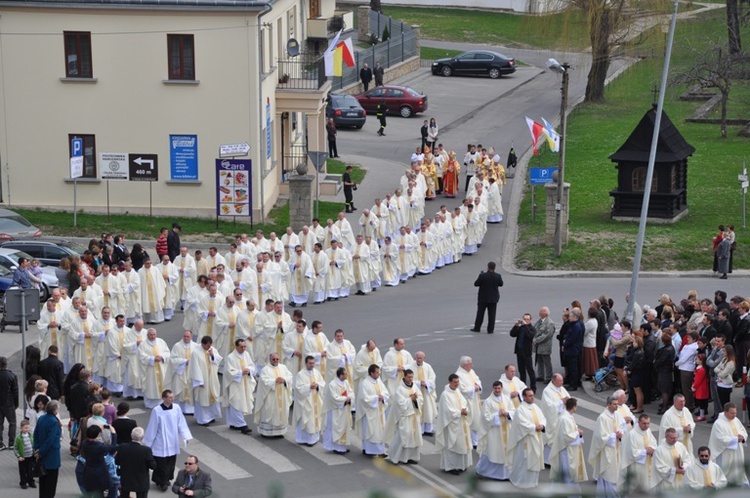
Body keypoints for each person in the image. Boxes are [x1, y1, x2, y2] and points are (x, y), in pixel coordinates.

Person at [143, 390, 193, 492]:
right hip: (160, 441)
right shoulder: (157, 410)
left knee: (170, 462)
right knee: (161, 464)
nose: (172, 399)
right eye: (170, 397)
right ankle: (162, 482)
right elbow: (152, 427)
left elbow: (181, 423)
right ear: (164, 398)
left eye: (172, 397)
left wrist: (185, 436)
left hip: (172, 440)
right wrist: (148, 443)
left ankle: (166, 479)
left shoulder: (176, 408)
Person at [476, 380, 514, 481]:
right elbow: (485, 417)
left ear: (502, 388)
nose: (497, 390)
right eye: (495, 388)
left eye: (499, 388)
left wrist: (507, 413)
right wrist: (497, 415)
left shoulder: (507, 399)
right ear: (493, 389)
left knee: (506, 452)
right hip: (494, 432)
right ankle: (482, 471)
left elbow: (514, 411)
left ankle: (506, 474)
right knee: (493, 451)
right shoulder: (488, 402)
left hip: (506, 429)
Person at [507, 387, 546, 488]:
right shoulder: (520, 410)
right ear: (524, 397)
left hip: (536, 438)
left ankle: (532, 481)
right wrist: (534, 427)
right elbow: (522, 424)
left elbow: (542, 418)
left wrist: (542, 425)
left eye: (533, 395)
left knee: (535, 459)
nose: (532, 398)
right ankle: (521, 481)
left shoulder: (535, 407)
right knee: (524, 462)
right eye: (529, 396)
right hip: (526, 440)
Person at [589, 395, 626, 496]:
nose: (616, 406)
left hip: (617, 448)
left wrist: (620, 433)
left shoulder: (617, 415)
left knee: (615, 473)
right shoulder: (602, 418)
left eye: (617, 404)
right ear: (608, 404)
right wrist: (615, 435)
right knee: (608, 474)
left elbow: (622, 427)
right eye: (614, 404)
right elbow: (600, 436)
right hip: (607, 450)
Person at [435, 373, 472, 475]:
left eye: (458, 382)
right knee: (452, 446)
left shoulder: (458, 392)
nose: (457, 384)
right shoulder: (445, 395)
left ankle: (461, 465)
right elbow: (447, 410)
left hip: (461, 423)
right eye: (455, 382)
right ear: (450, 382)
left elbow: (464, 403)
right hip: (451, 424)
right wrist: (460, 412)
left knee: (461, 445)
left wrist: (465, 410)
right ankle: (451, 466)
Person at [384, 369, 423, 465]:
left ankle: (410, 457)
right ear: (404, 377)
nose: (410, 379)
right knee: (403, 437)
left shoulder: (414, 387)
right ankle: (395, 456)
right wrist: (411, 399)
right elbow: (400, 404)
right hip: (405, 417)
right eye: (409, 377)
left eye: (412, 377)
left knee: (414, 436)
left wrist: (416, 399)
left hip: (414, 415)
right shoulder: (400, 389)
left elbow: (421, 398)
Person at [708, 402, 748, 486]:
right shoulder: (718, 423)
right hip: (724, 452)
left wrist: (742, 437)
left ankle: (737, 482)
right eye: (732, 413)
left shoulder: (736, 420)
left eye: (735, 413)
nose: (734, 415)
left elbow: (742, 430)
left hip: (737, 450)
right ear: (725, 412)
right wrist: (735, 439)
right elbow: (720, 439)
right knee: (725, 469)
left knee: (737, 467)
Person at [549, 398, 587, 487]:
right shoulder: (564, 418)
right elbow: (566, 436)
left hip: (571, 450)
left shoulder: (569, 416)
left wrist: (577, 430)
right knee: (568, 473)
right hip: (566, 450)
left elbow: (570, 430)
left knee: (570, 473)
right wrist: (578, 433)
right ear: (574, 407)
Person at [255, 352, 293, 437]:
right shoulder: (266, 369)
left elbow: (290, 377)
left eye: (277, 359)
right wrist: (275, 381)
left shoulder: (283, 367)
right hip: (270, 396)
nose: (275, 361)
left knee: (281, 412)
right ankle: (266, 432)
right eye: (273, 359)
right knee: (270, 412)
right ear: (270, 359)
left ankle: (279, 432)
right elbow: (264, 381)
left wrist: (284, 380)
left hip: (282, 395)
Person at [355, 364, 389, 457]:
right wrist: (376, 398)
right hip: (370, 411)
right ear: (371, 373)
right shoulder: (365, 383)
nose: (379, 374)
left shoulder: (379, 381)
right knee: (371, 431)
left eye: (379, 372)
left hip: (379, 410)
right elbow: (363, 398)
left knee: (380, 430)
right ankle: (368, 450)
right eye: (377, 372)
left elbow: (386, 392)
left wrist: (383, 396)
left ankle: (380, 450)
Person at [189, 336, 222, 427]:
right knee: (203, 398)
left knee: (212, 395)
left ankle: (211, 416)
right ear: (202, 344)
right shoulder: (196, 353)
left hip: (212, 379)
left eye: (210, 345)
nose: (209, 347)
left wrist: (212, 355)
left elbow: (218, 360)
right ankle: (203, 419)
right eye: (207, 346)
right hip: (202, 380)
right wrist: (199, 381)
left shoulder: (212, 350)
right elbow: (195, 368)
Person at [292, 356, 326, 446]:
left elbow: (323, 384)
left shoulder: (316, 372)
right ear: (306, 363)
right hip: (306, 401)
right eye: (310, 363)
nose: (312, 365)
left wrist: (317, 385)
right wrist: (309, 387)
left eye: (313, 363)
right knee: (306, 419)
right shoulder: (301, 374)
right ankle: (303, 439)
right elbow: (298, 388)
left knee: (314, 419)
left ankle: (313, 439)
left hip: (315, 400)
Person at [116, 426, 157, 498]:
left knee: (124, 495)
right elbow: (153, 466)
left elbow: (117, 461)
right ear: (142, 438)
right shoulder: (146, 450)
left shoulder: (122, 447)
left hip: (126, 478)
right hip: (141, 481)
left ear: (131, 436)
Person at [622, 413, 657, 493]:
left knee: (648, 487)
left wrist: (652, 449)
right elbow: (631, 452)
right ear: (638, 422)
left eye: (648, 423)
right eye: (644, 423)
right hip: (637, 466)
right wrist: (645, 451)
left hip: (648, 464)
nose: (646, 426)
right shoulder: (632, 434)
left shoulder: (648, 431)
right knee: (636, 488)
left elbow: (654, 442)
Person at [322, 367, 354, 454]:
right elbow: (334, 398)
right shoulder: (332, 384)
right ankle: (336, 447)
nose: (347, 375)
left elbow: (351, 392)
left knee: (344, 427)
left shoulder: (346, 382)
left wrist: (349, 398)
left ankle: (342, 447)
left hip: (344, 409)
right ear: (340, 375)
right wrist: (345, 399)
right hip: (335, 410)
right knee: (336, 429)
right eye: (345, 374)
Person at [33, 400, 62, 498]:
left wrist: (37, 449)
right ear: (55, 411)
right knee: (50, 486)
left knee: (43, 484)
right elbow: (50, 440)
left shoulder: (41, 418)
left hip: (42, 456)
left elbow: (35, 434)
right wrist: (41, 452)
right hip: (51, 457)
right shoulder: (54, 422)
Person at [81, 424, 118, 498]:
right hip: (100, 471)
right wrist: (113, 433)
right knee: (108, 487)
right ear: (97, 435)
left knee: (92, 490)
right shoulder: (99, 447)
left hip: (88, 470)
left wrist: (96, 429)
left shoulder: (85, 443)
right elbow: (113, 447)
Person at [471, 261, 503, 334]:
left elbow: (476, 284)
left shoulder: (483, 276)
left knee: (480, 313)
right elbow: (501, 284)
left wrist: (481, 275)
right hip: (493, 298)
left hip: (483, 298)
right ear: (494, 268)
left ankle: (477, 327)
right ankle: (490, 329)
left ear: (488, 267)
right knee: (492, 315)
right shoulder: (498, 276)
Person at [510, 313, 536, 391]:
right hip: (519, 351)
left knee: (530, 370)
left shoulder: (531, 328)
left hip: (527, 352)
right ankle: (523, 386)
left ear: (530, 320)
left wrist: (525, 326)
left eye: (528, 319)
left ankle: (533, 387)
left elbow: (530, 336)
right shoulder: (521, 328)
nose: (526, 321)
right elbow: (512, 334)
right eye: (524, 319)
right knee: (521, 370)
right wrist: (516, 326)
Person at [413, 351, 437, 434]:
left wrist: (426, 383)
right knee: (418, 410)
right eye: (417, 358)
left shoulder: (428, 367)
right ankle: (419, 430)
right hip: (416, 393)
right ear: (415, 358)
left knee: (428, 410)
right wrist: (419, 383)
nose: (419, 360)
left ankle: (428, 430)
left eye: (421, 358)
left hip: (426, 392)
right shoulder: (410, 367)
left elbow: (432, 378)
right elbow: (408, 380)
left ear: (424, 358)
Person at [0, 356, 19, 451]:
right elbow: (15, 391)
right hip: (9, 403)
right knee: (12, 423)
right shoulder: (12, 376)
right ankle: (11, 443)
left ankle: (0, 443)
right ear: (6, 364)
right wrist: (16, 404)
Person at [533, 306, 555, 383]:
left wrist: (536, 340)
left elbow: (546, 335)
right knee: (539, 360)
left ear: (546, 313)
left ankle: (549, 377)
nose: (540, 312)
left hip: (545, 346)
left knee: (546, 362)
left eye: (541, 311)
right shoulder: (539, 321)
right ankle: (540, 375)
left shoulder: (550, 323)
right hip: (538, 346)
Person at [563, 309, 584, 390]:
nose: (569, 317)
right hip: (573, 350)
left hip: (572, 350)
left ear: (574, 317)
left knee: (573, 368)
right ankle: (573, 383)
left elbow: (572, 339)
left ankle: (573, 385)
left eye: (570, 316)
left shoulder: (576, 326)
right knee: (573, 367)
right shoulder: (575, 325)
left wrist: (565, 343)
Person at [14, 419, 35, 489]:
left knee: (30, 470)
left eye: (28, 427)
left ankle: (31, 481)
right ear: (21, 428)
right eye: (25, 428)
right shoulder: (19, 438)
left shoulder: (31, 435)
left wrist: (35, 452)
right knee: (23, 471)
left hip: (31, 456)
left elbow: (33, 444)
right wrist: (19, 456)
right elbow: (15, 448)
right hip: (23, 457)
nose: (27, 429)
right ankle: (23, 482)